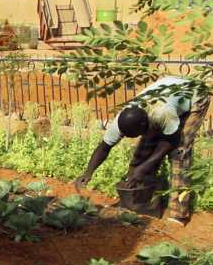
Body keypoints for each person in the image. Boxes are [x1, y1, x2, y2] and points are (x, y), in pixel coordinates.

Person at [75, 75, 206, 223]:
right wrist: (89, 171)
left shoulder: (162, 113)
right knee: (144, 147)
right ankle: (140, 201)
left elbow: (170, 141)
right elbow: (104, 147)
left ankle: (178, 214)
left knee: (179, 152)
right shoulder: (122, 119)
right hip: (167, 92)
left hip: (193, 94)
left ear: (145, 124)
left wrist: (144, 167)